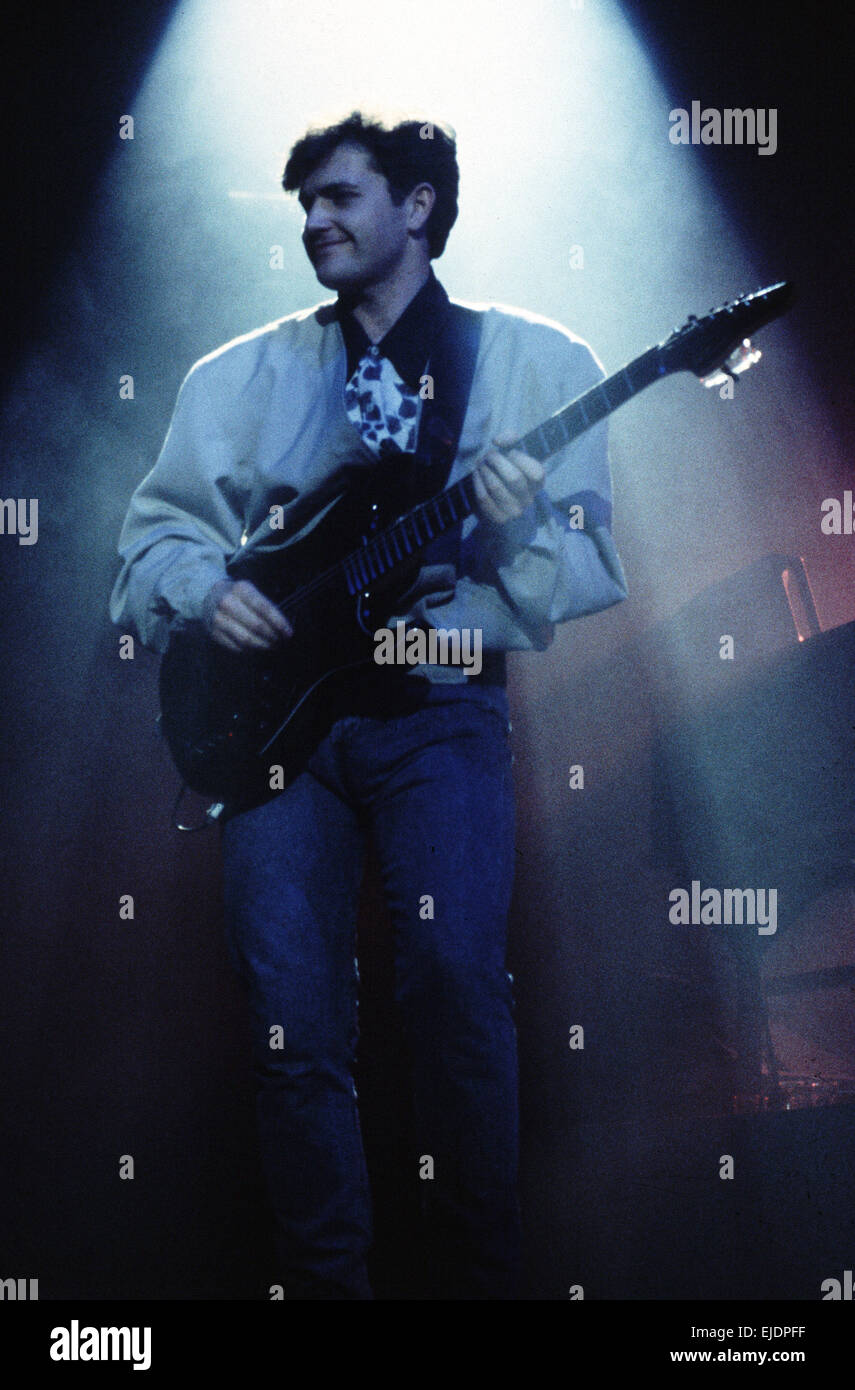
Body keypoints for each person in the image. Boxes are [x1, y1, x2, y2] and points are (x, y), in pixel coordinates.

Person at [110, 111, 627, 1300]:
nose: (315, 223)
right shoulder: (242, 372)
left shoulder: (538, 361)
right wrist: (207, 590)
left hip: (438, 699)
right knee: (291, 1022)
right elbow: (153, 536)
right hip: (277, 733)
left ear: (419, 207)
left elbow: (588, 562)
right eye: (304, 205)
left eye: (340, 198)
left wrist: (507, 527)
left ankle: (480, 1281)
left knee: (453, 987)